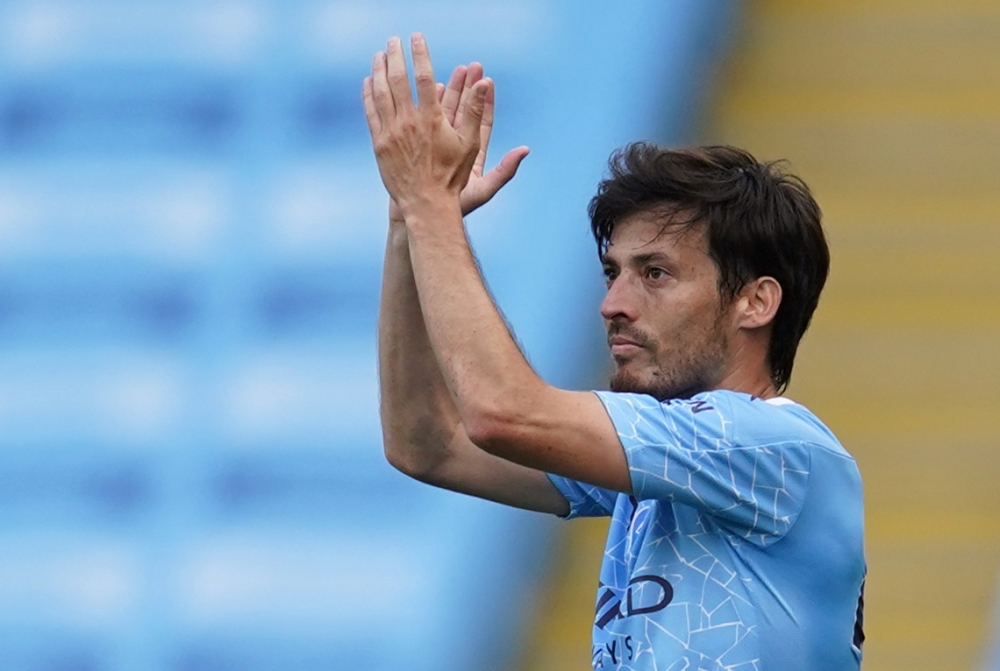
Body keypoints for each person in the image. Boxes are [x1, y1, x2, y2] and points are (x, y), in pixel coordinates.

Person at [363, 33, 866, 670]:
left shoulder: (773, 446)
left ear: (755, 302)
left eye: (655, 273)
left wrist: (431, 208)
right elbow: (428, 445)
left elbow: (502, 414)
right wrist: (407, 223)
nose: (613, 304)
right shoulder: (674, 466)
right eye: (613, 273)